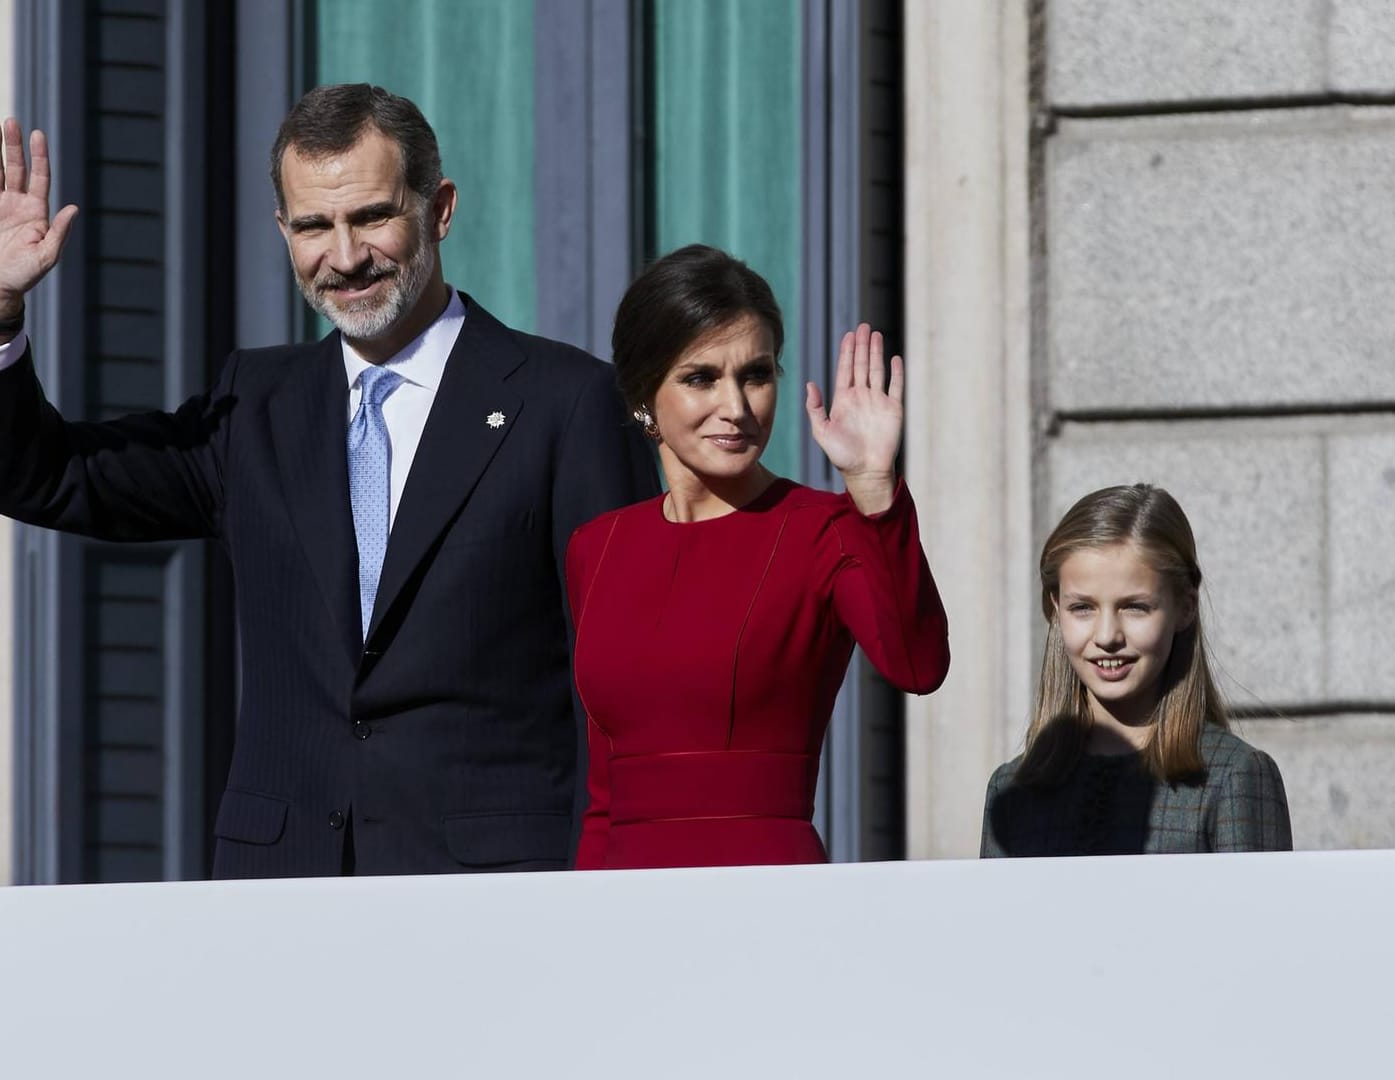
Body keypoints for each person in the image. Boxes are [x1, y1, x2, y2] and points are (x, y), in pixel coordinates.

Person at [0, 85, 658, 877]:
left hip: (496, 889)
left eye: (372, 217)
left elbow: (625, 673)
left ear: (439, 208)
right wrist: (3, 314)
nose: (344, 257)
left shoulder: (566, 400)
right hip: (284, 886)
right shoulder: (255, 403)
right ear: (284, 232)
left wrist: (615, 887)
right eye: (314, 226)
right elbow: (48, 476)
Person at [564, 244, 949, 869]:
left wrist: (874, 488)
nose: (737, 408)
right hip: (621, 899)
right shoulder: (597, 547)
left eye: (756, 374)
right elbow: (604, 794)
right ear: (643, 395)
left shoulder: (825, 529)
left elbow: (917, 664)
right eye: (701, 378)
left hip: (769, 891)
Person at [981, 484, 1291, 856]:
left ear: (1185, 607)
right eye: (1082, 608)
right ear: (1054, 610)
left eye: (1135, 607)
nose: (1108, 636)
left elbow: (1261, 914)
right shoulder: (1011, 789)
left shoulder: (1233, 776)